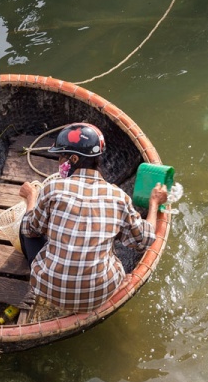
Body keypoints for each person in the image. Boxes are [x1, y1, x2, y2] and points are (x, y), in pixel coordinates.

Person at [18, 122, 167, 313]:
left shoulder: (53, 188)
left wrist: (31, 198)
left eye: (60, 157)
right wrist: (154, 203)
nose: (59, 162)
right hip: (99, 295)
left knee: (26, 222)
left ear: (72, 158)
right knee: (112, 243)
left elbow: (30, 229)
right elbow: (144, 240)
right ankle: (116, 284)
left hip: (47, 289)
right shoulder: (118, 197)